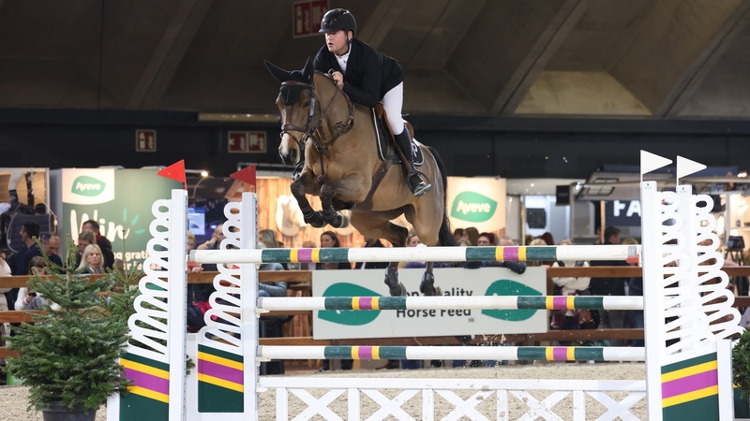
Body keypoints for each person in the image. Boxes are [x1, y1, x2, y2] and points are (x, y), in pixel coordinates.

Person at [314, 8, 431, 197]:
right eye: (327, 34)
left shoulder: (368, 57)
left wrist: (344, 86)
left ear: (349, 35)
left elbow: (370, 98)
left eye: (334, 33)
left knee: (392, 119)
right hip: (355, 89)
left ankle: (413, 174)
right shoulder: (322, 57)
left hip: (385, 85)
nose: (329, 38)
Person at [317, 231, 352, 371]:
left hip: (341, 295)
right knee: (323, 331)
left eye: (326, 240)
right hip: (323, 296)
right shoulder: (319, 256)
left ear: (334, 241)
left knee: (345, 331)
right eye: (322, 240)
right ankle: (325, 364)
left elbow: (347, 276)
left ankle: (346, 363)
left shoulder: (343, 257)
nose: (324, 243)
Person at [589, 226, 629, 345]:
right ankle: (614, 354)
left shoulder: (597, 251)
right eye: (618, 237)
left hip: (598, 293)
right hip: (615, 293)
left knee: (603, 322)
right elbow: (626, 271)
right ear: (614, 237)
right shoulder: (617, 252)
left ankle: (601, 351)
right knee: (617, 323)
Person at [550, 240, 591, 340]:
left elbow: (583, 284)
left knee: (578, 336)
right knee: (558, 336)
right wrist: (573, 277)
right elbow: (556, 281)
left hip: (579, 304)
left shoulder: (583, 263)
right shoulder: (557, 264)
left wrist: (565, 280)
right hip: (559, 305)